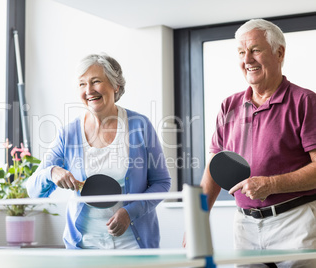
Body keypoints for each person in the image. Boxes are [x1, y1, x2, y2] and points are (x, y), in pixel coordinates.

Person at [200, 19, 316, 267]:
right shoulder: (228, 106)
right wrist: (198, 225)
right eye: (241, 53)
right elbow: (213, 169)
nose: (247, 60)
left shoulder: (305, 101)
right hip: (245, 226)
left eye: (255, 50)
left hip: (295, 222)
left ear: (279, 53)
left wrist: (271, 184)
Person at [27, 53, 171, 249]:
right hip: (84, 246)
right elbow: (33, 190)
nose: (88, 90)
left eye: (95, 82)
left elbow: (161, 183)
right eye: (81, 84)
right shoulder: (68, 133)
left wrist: (130, 213)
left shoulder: (140, 126)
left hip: (133, 245)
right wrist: (51, 173)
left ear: (115, 85)